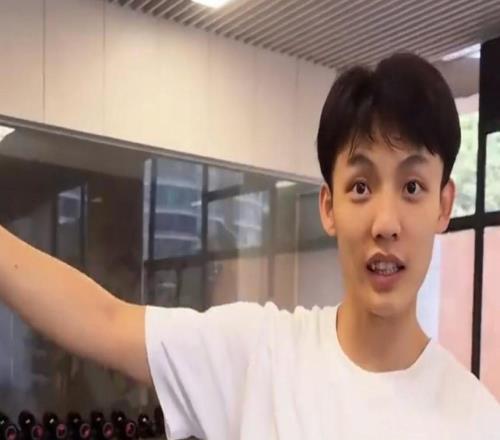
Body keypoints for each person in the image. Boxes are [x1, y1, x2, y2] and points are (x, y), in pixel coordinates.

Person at [0, 52, 499, 440]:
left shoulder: (477, 421)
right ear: (329, 207)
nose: (386, 223)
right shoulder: (260, 355)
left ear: (443, 205)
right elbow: (103, 319)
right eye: (361, 187)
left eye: (412, 187)